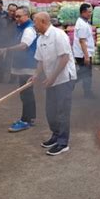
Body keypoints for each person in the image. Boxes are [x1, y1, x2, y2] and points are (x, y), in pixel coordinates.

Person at [30, 12, 77, 156]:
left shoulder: (58, 35)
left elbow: (64, 58)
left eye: (35, 22)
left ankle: (63, 143)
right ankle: (56, 135)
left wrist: (52, 78)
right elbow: (40, 60)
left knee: (62, 111)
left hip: (64, 79)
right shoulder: (40, 39)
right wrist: (36, 75)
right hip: (52, 80)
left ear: (43, 21)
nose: (34, 25)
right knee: (50, 111)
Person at [0, 6, 37, 132]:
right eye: (15, 16)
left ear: (27, 16)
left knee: (26, 94)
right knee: (26, 93)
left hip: (27, 66)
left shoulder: (29, 29)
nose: (16, 18)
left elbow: (24, 46)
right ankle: (30, 118)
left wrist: (7, 50)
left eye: (19, 16)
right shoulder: (21, 27)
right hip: (23, 65)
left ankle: (25, 120)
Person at [73, 3, 95, 98]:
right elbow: (82, 41)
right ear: (83, 12)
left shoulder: (84, 22)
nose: (90, 14)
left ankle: (87, 92)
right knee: (85, 73)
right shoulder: (82, 25)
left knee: (86, 73)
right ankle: (68, 85)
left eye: (91, 12)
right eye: (89, 12)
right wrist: (86, 56)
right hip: (82, 54)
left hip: (84, 52)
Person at [0, 3, 19, 83]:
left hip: (14, 43)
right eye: (10, 10)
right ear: (7, 10)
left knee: (12, 61)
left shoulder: (18, 20)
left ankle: (12, 79)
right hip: (2, 42)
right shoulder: (2, 19)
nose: (12, 12)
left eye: (14, 11)